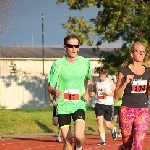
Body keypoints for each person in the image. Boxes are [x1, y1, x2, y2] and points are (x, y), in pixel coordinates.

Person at [48, 34, 92, 150]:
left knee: (78, 136)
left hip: (79, 104)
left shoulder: (85, 62)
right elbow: (50, 86)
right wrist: (54, 91)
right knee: (67, 142)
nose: (73, 49)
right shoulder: (58, 64)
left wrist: (88, 91)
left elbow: (89, 79)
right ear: (65, 47)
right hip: (63, 106)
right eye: (70, 46)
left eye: (75, 46)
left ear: (79, 47)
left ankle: (78, 147)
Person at [114, 41, 150, 150]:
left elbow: (148, 93)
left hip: (142, 110)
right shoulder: (124, 71)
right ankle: (123, 147)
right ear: (131, 53)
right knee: (127, 144)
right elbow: (116, 96)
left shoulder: (148, 71)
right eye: (138, 51)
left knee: (138, 144)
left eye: (143, 52)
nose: (141, 54)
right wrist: (125, 83)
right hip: (127, 110)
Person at [91, 68, 117, 146]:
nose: (100, 78)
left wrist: (108, 94)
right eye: (100, 76)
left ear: (105, 75)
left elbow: (115, 93)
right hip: (99, 104)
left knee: (107, 124)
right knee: (99, 121)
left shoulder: (110, 82)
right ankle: (102, 140)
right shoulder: (96, 82)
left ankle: (113, 128)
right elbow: (94, 91)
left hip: (108, 104)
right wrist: (90, 94)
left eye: (102, 76)